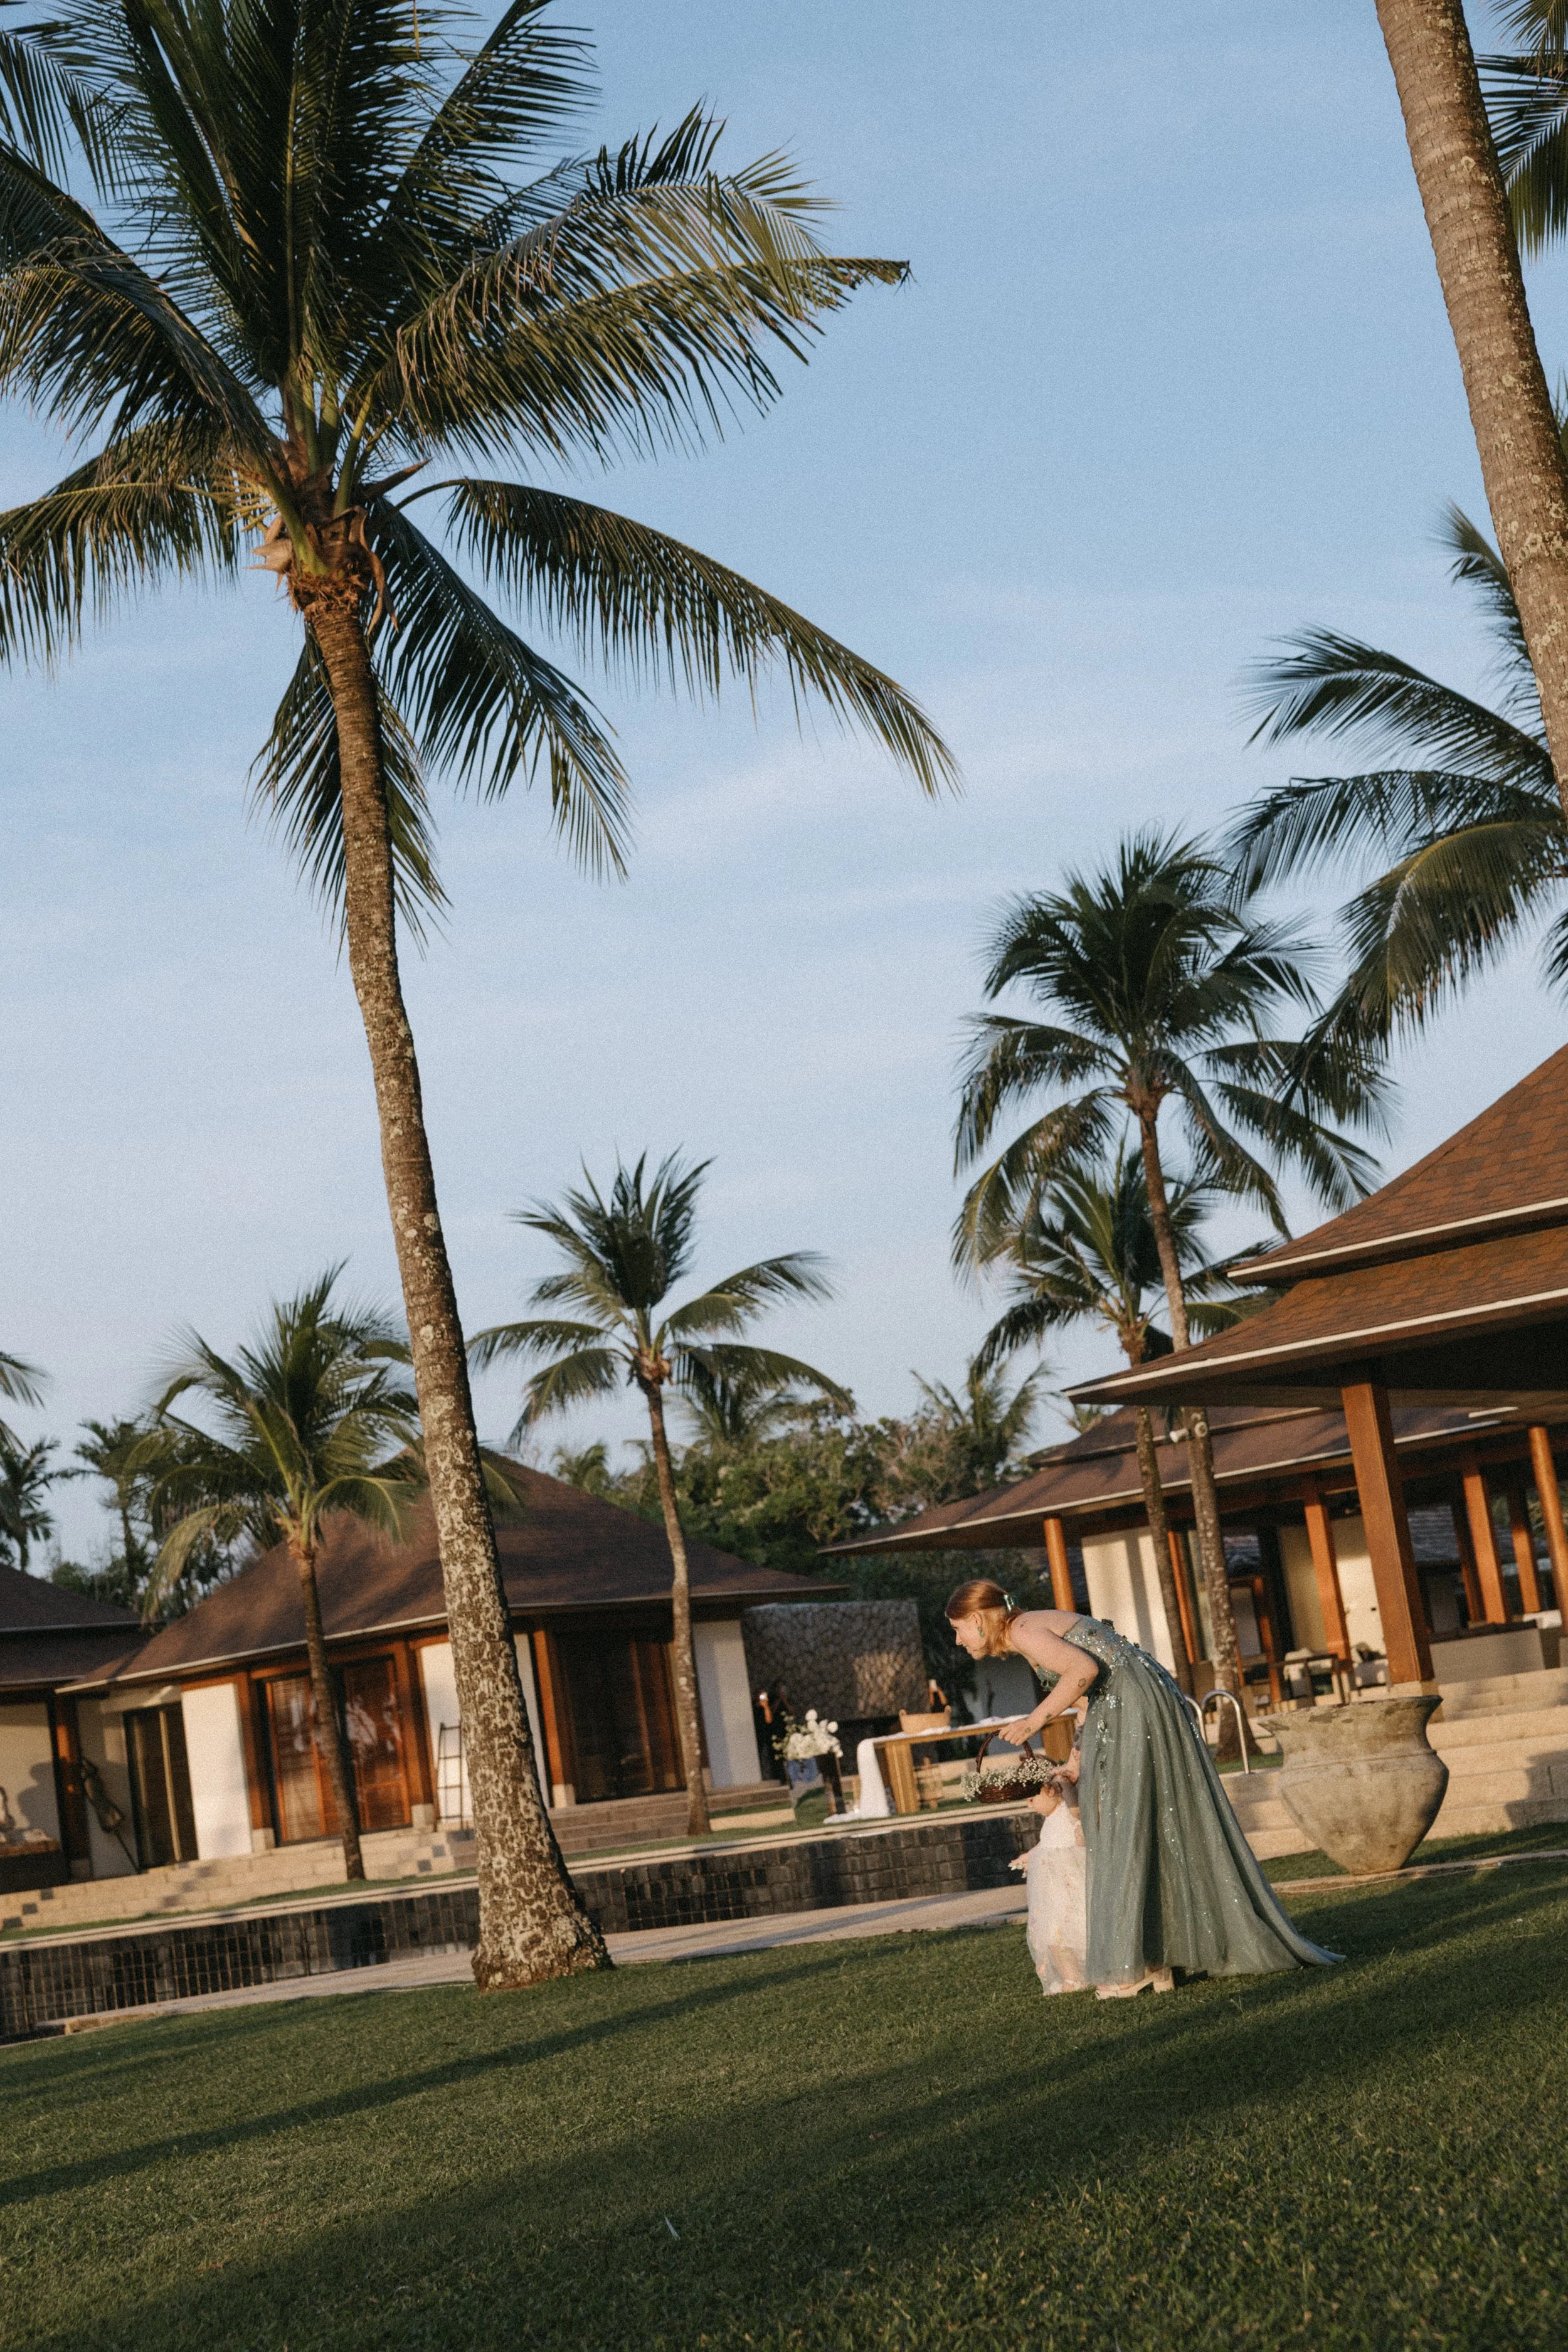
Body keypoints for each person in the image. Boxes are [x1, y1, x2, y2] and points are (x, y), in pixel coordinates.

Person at [950, 1577, 1336, 1988]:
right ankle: (1161, 1956)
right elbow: (1084, 1699)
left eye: (956, 1630)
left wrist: (1035, 1719)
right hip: (1130, 1701)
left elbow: (1085, 1670)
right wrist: (1076, 1761)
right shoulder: (1027, 1634)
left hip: (1133, 1703)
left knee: (1124, 1820)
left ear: (976, 1619)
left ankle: (1145, 1962)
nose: (957, 1642)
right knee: (1142, 1817)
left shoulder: (1024, 1629)